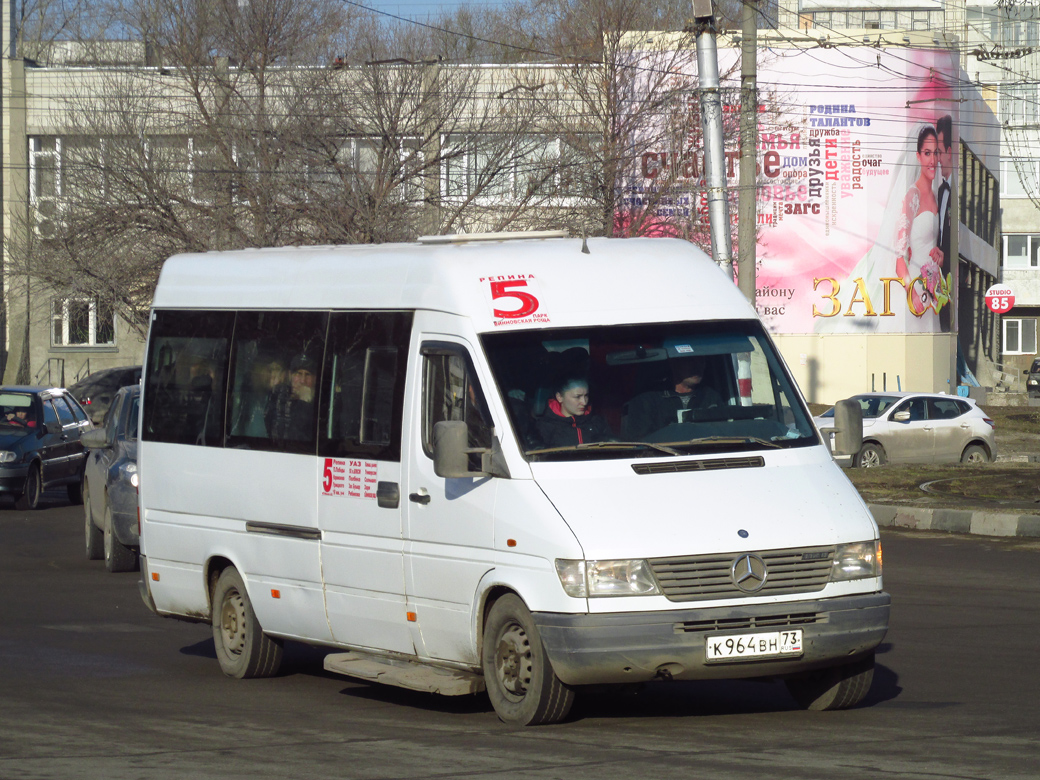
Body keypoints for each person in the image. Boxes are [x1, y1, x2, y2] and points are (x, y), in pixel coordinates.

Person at [894, 125, 945, 329]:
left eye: (935, 153)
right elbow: (898, 259)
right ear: (917, 156)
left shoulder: (937, 197)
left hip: (933, 289)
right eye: (926, 153)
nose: (932, 160)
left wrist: (939, 256)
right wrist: (912, 294)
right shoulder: (911, 196)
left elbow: (931, 242)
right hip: (914, 286)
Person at [622, 354, 722, 440]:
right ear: (674, 363)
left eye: (701, 361)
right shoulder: (648, 398)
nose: (697, 366)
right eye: (690, 361)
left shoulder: (711, 397)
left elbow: (722, 433)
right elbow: (639, 443)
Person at [534, 377, 613, 447]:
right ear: (560, 397)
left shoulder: (597, 422)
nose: (584, 402)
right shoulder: (544, 427)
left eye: (586, 396)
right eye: (577, 397)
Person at [266, 352, 318, 442]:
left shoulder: (320, 403)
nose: (302, 381)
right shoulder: (279, 395)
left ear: (315, 379)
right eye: (298, 373)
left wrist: (305, 402)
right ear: (290, 375)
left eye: (308, 374)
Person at [935, 114, 954, 332]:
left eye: (940, 152)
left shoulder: (954, 191)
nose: (938, 159)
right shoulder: (940, 192)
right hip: (938, 275)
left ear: (950, 152)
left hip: (951, 273)